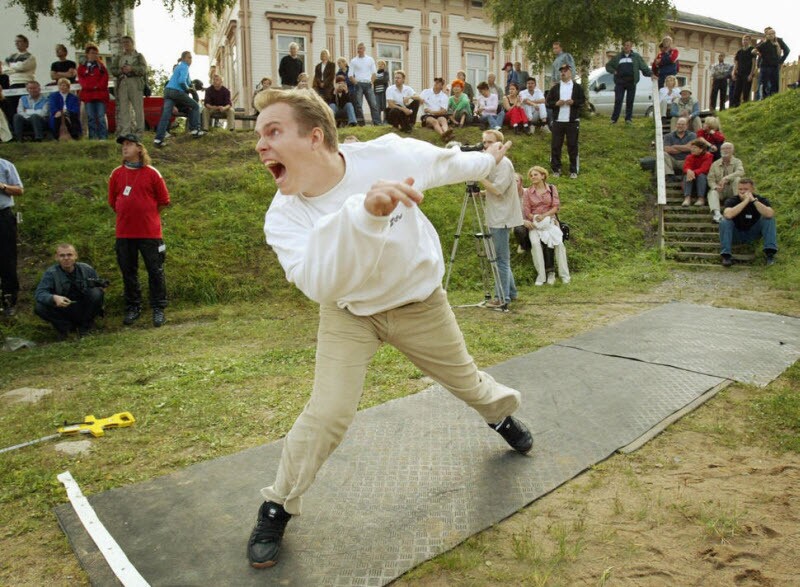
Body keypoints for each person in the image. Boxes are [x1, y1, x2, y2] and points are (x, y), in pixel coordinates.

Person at [248, 88, 532, 569]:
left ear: (315, 137)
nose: (260, 145)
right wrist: (365, 215)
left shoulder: (388, 155)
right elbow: (320, 284)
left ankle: (500, 416)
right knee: (328, 414)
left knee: (468, 383)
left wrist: (486, 160)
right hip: (349, 314)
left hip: (420, 304)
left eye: (272, 131)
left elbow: (447, 165)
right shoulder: (284, 218)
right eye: (258, 135)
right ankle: (278, 503)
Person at [108, 134, 170, 327]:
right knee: (128, 272)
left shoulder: (152, 173)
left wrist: (148, 215)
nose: (124, 148)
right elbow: (113, 201)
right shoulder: (117, 173)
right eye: (123, 145)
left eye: (129, 144)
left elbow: (163, 200)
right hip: (124, 233)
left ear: (139, 149)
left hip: (150, 233)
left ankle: (158, 307)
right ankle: (133, 307)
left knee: (155, 270)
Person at [480, 129, 523, 307]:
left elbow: (498, 190)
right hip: (495, 214)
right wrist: (482, 193)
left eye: (490, 142)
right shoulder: (493, 163)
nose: (486, 146)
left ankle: (501, 297)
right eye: (484, 142)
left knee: (500, 259)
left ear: (499, 145)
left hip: (501, 216)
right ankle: (511, 292)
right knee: (501, 257)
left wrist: (479, 177)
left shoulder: (504, 164)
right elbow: (493, 189)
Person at [34, 244, 106, 339]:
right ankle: (66, 329)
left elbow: (99, 286)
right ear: (57, 257)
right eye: (62, 255)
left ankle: (86, 327)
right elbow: (39, 293)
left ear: (76, 255)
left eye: (69, 255)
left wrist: (102, 288)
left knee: (96, 293)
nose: (66, 258)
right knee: (40, 307)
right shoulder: (51, 273)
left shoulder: (87, 269)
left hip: (83, 307)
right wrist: (54, 298)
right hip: (63, 308)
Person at [521, 165, 570, 285]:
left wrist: (546, 216)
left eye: (535, 174)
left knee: (559, 245)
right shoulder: (528, 192)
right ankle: (541, 276)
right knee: (535, 244)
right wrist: (536, 218)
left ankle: (564, 275)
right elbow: (527, 211)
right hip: (536, 224)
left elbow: (556, 207)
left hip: (550, 221)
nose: (533, 177)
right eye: (531, 175)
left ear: (543, 176)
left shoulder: (552, 189)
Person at [719, 178, 777, 267]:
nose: (742, 192)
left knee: (768, 219)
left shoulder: (761, 199)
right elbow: (728, 215)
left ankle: (770, 254)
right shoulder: (732, 200)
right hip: (736, 234)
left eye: (746, 189)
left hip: (753, 233)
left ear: (752, 190)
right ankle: (726, 256)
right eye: (740, 189)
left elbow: (770, 214)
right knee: (724, 221)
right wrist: (745, 201)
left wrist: (753, 201)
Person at [154, 51, 204, 147]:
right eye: (189, 57)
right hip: (176, 91)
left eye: (191, 58)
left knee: (166, 115)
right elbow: (182, 81)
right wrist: (187, 89)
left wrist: (193, 86)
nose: (191, 60)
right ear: (184, 58)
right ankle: (195, 130)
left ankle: (158, 140)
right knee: (195, 106)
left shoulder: (178, 67)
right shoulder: (184, 66)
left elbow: (187, 81)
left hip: (167, 91)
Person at [546, 63, 585, 179]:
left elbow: (582, 101)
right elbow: (548, 103)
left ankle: (573, 170)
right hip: (558, 121)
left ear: (571, 73)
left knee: (572, 145)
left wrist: (574, 102)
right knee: (556, 146)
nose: (563, 73)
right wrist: (556, 104)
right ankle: (556, 169)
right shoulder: (555, 88)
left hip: (572, 121)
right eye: (562, 71)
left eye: (566, 71)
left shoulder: (577, 87)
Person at [605, 40, 653, 124]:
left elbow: (644, 67)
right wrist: (614, 71)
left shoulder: (636, 57)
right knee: (618, 100)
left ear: (631, 47)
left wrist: (651, 74)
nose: (626, 47)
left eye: (628, 45)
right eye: (625, 45)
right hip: (620, 82)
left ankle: (628, 119)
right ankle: (614, 119)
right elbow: (608, 66)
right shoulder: (618, 57)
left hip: (631, 82)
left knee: (630, 101)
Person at [111, 35, 148, 136]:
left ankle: (139, 132)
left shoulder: (138, 56)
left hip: (135, 83)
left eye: (127, 42)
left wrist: (132, 69)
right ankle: (125, 132)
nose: (125, 44)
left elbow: (144, 69)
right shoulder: (119, 57)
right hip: (123, 83)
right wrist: (121, 70)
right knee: (124, 109)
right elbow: (113, 69)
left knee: (138, 109)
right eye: (123, 42)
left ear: (132, 43)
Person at [0, 158, 23, 317]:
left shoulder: (5, 165)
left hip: (2, 215)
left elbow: (20, 190)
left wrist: (2, 186)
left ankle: (9, 301)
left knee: (7, 258)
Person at [77, 45, 110, 140]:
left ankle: (103, 137)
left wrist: (96, 86)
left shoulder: (101, 67)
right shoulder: (82, 68)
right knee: (91, 118)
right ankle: (93, 137)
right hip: (88, 97)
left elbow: (105, 80)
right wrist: (91, 86)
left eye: (96, 53)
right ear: (87, 54)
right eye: (92, 53)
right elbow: (82, 81)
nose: (94, 55)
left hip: (100, 96)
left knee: (101, 117)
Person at [707, 142, 744, 223]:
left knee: (737, 179)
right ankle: (717, 214)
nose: (725, 150)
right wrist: (716, 187)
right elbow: (710, 179)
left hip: (732, 189)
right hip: (720, 190)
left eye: (728, 148)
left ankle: (738, 208)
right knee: (712, 192)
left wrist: (726, 178)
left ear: (733, 150)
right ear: (720, 151)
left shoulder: (737, 161)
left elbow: (741, 172)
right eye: (723, 148)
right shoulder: (715, 164)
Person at [3, 35, 37, 123]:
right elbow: (4, 68)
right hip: (13, 84)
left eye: (20, 41)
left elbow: (23, 66)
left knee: (25, 107)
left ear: (26, 43)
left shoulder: (30, 57)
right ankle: (14, 130)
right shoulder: (11, 56)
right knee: (10, 108)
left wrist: (12, 66)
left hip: (25, 83)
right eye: (16, 42)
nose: (17, 43)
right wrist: (15, 67)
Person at [349, 42, 381, 126]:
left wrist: (371, 82)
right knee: (359, 105)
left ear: (364, 49)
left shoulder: (370, 59)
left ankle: (377, 123)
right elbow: (350, 75)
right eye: (358, 48)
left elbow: (374, 73)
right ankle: (361, 123)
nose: (359, 50)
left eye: (360, 48)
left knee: (373, 104)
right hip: (358, 84)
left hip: (368, 84)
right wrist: (356, 83)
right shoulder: (353, 61)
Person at [756, 28, 790, 98]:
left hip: (774, 65)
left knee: (773, 84)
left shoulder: (778, 41)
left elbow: (787, 50)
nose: (770, 35)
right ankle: (762, 99)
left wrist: (780, 62)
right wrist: (758, 65)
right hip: (764, 66)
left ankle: (772, 97)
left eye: (772, 33)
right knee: (763, 84)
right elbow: (758, 53)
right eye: (767, 33)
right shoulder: (763, 42)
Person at [681, 139, 713, 207]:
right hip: (691, 178)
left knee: (701, 175)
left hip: (703, 178)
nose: (692, 149)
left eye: (694, 148)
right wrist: (689, 171)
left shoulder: (708, 156)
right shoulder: (689, 156)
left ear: (701, 149)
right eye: (691, 147)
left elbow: (704, 169)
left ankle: (701, 199)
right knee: (687, 174)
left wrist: (692, 172)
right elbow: (685, 168)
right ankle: (687, 198)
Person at [731, 35, 757, 107]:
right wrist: (733, 72)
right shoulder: (739, 51)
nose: (744, 41)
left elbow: (754, 63)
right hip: (739, 74)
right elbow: (736, 63)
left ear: (749, 41)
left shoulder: (752, 50)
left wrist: (751, 74)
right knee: (736, 92)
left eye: (746, 40)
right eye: (743, 40)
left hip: (747, 74)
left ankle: (745, 106)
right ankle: (736, 106)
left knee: (746, 92)